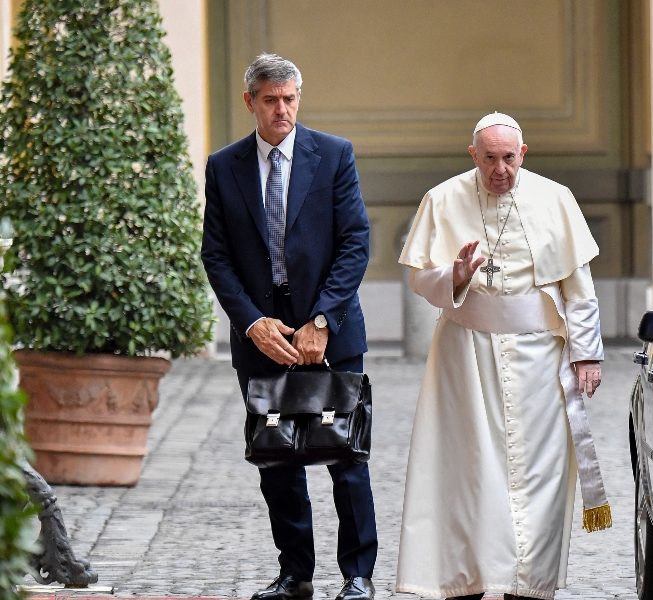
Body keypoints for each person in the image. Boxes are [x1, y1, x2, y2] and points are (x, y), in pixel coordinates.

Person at [395, 112, 612, 600]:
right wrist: (453, 275)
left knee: (541, 478)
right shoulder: (443, 198)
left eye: (509, 158)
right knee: (471, 475)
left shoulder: (555, 199)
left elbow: (578, 288)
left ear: (523, 154)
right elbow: (418, 278)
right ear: (473, 155)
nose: (500, 169)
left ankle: (528, 586)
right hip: (465, 361)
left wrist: (587, 355)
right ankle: (472, 580)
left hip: (540, 363)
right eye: (489, 158)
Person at [200, 53, 377, 600]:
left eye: (290, 99)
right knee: (277, 457)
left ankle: (358, 576)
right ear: (250, 102)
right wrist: (252, 324)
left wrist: (322, 319)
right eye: (272, 100)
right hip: (262, 338)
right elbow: (217, 255)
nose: (283, 110)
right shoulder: (224, 165)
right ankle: (296, 573)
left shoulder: (333, 155)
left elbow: (355, 242)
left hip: (330, 333)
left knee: (346, 455)